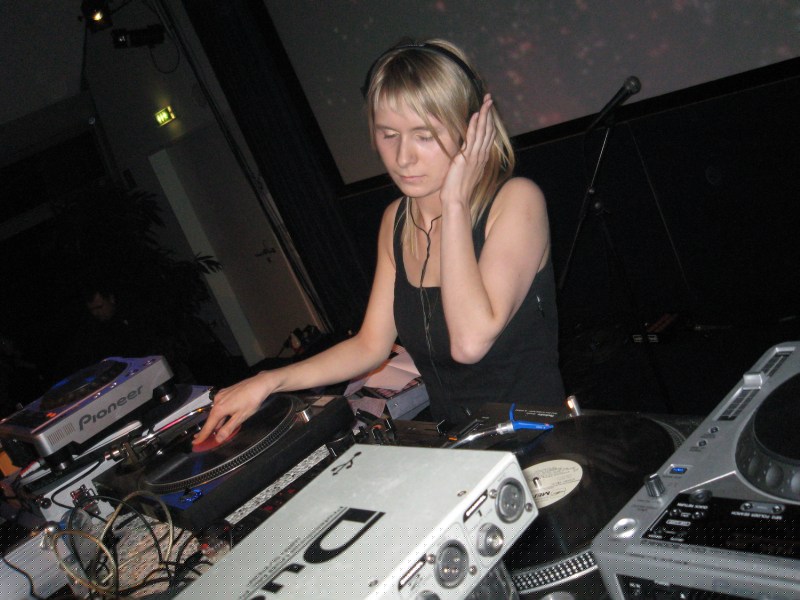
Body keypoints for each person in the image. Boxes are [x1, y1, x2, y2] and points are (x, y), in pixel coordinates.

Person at [195, 38, 564, 445]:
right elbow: (371, 345)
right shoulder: (396, 221)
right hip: (460, 446)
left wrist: (455, 203)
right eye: (389, 135)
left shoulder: (516, 201)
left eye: (424, 136)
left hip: (536, 443)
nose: (403, 158)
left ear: (469, 130)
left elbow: (469, 343)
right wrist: (269, 380)